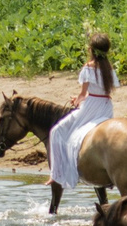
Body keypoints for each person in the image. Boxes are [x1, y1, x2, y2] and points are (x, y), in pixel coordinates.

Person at [47, 30, 117, 213]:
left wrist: (76, 100)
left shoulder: (88, 67)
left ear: (91, 50)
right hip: (106, 108)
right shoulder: (109, 69)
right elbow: (105, 92)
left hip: (91, 107)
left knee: (57, 131)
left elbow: (82, 94)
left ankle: (56, 175)